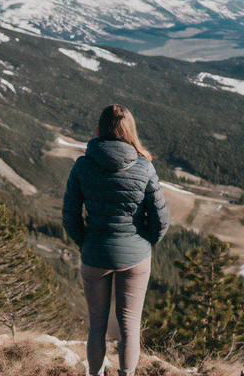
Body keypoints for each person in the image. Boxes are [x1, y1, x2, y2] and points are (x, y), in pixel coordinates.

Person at [62, 104, 170, 376]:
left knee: (97, 324)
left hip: (95, 253)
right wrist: (144, 243)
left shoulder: (83, 165)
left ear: (98, 130)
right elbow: (161, 220)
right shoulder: (144, 167)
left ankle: (95, 374)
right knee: (129, 326)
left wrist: (85, 243)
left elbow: (70, 216)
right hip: (135, 257)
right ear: (130, 131)